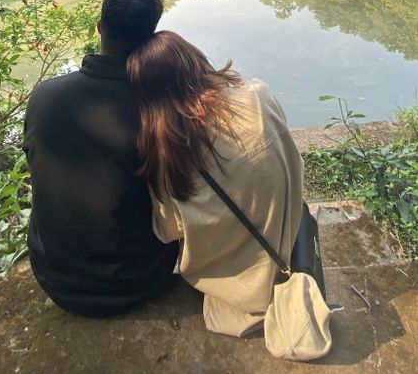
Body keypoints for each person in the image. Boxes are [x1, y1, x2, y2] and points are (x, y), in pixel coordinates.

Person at [126, 30, 304, 336]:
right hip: (288, 241)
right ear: (196, 61)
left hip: (236, 285)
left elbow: (168, 231)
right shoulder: (258, 94)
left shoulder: (166, 154)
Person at [23, 0, 179, 316]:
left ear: (99, 27)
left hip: (55, 277)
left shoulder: (44, 96)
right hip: (139, 279)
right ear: (152, 38)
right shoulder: (156, 110)